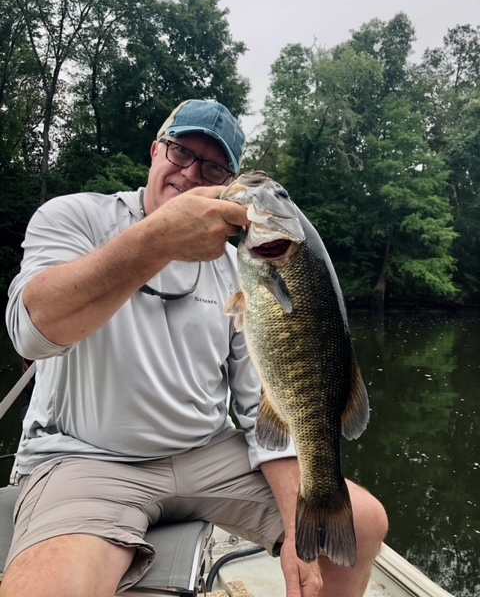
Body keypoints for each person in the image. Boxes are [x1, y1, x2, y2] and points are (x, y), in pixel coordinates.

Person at [2, 99, 388, 597]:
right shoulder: (75, 217)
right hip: (90, 456)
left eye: (211, 166)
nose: (188, 173)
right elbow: (32, 332)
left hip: (207, 455)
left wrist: (299, 519)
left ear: (226, 181)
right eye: (180, 151)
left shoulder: (240, 264)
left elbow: (260, 405)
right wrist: (158, 240)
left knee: (363, 524)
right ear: (154, 150)